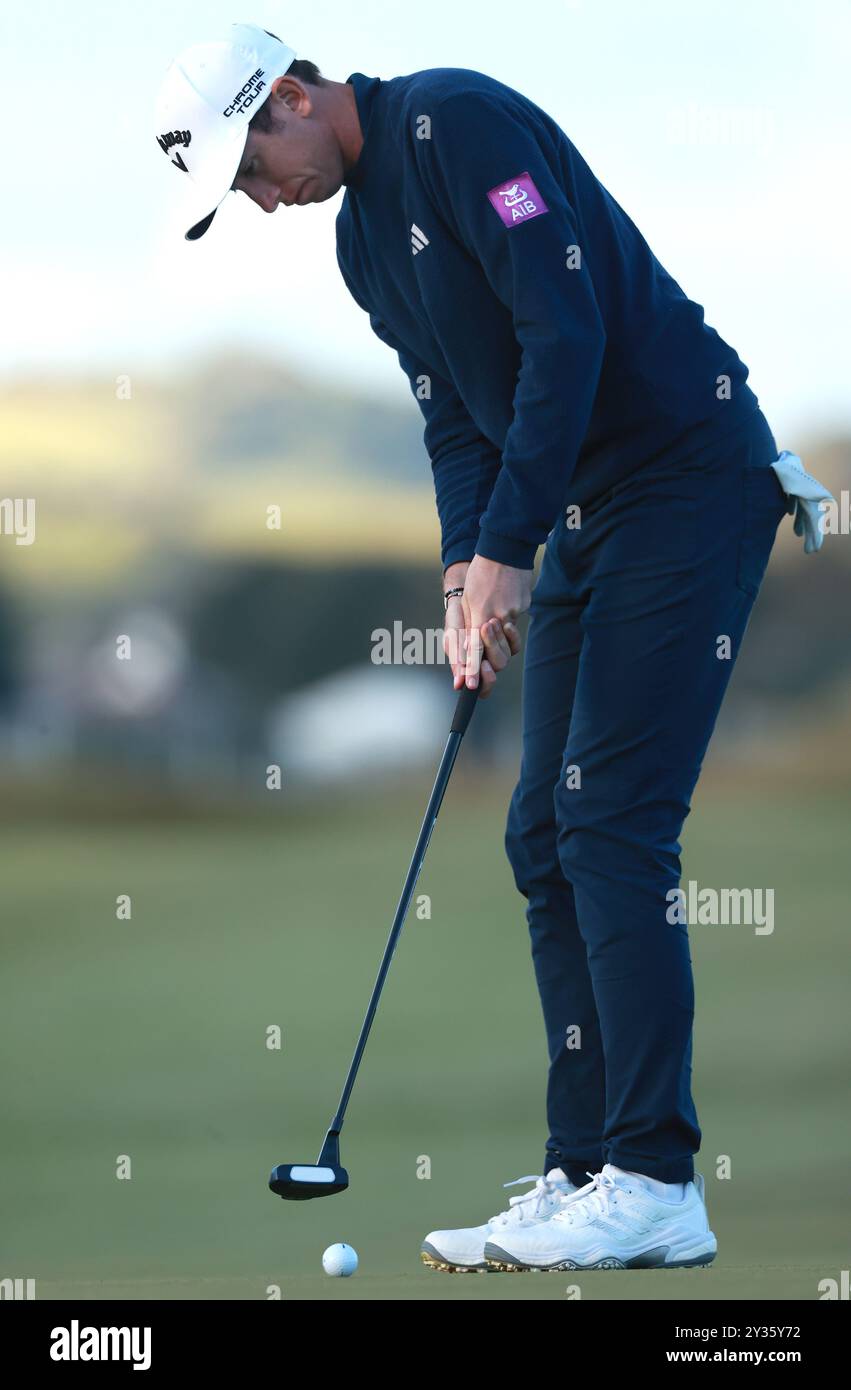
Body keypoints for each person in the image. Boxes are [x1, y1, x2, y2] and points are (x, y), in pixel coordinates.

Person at [155, 23, 831, 1273]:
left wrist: (513, 542)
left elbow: (564, 329)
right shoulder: (363, 243)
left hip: (684, 478)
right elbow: (454, 420)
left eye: (250, 170)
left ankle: (656, 1176)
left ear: (292, 97)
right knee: (541, 832)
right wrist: (469, 565)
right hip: (579, 514)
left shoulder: (457, 123)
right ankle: (584, 1172)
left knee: (612, 822)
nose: (258, 201)